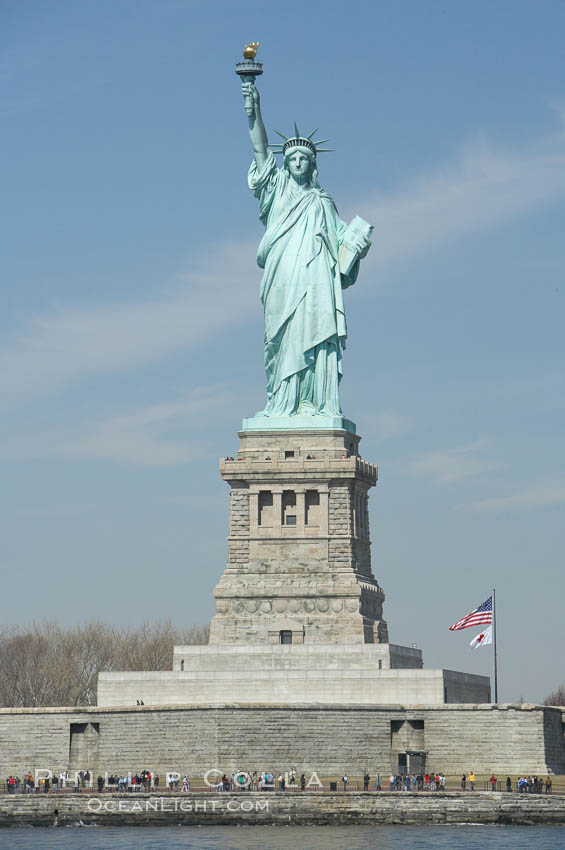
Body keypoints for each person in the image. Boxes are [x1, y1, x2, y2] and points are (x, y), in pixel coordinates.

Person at [240, 79, 372, 420]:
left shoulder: (322, 201)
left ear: (312, 165)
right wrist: (254, 110)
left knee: (314, 335)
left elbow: (342, 241)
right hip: (283, 276)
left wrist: (358, 244)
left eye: (304, 159)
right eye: (292, 158)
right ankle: (281, 403)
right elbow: (259, 150)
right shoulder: (278, 188)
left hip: (315, 282)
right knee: (281, 338)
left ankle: (314, 402)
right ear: (285, 164)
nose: (297, 162)